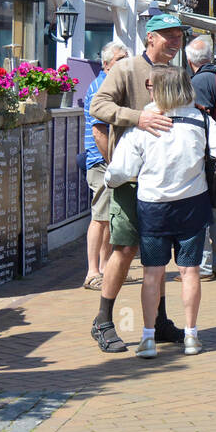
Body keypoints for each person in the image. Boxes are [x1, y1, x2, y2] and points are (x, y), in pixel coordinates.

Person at [105, 65, 216, 357]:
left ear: (160, 89)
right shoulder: (201, 120)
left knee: (153, 273)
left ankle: (148, 338)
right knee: (190, 271)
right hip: (192, 204)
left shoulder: (145, 123)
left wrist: (110, 179)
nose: (148, 90)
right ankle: (191, 336)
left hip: (153, 206)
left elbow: (120, 170)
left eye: (151, 86)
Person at [87, 12, 186, 353]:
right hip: (130, 178)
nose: (176, 41)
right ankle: (102, 320)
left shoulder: (175, 74)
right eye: (169, 35)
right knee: (125, 249)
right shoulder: (126, 69)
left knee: (156, 255)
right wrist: (136, 118)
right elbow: (98, 106)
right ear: (151, 38)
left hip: (164, 178)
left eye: (179, 36)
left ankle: (158, 322)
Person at [185, 35, 216, 279]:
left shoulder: (198, 82)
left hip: (206, 156)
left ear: (190, 60)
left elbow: (200, 121)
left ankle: (203, 267)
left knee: (202, 212)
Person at [82, 41, 128, 290]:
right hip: (102, 161)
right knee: (100, 217)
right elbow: (99, 130)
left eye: (126, 57)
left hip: (111, 160)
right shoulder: (102, 86)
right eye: (120, 59)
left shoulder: (114, 83)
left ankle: (107, 268)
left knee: (110, 217)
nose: (125, 62)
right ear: (107, 64)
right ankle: (92, 271)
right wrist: (112, 162)